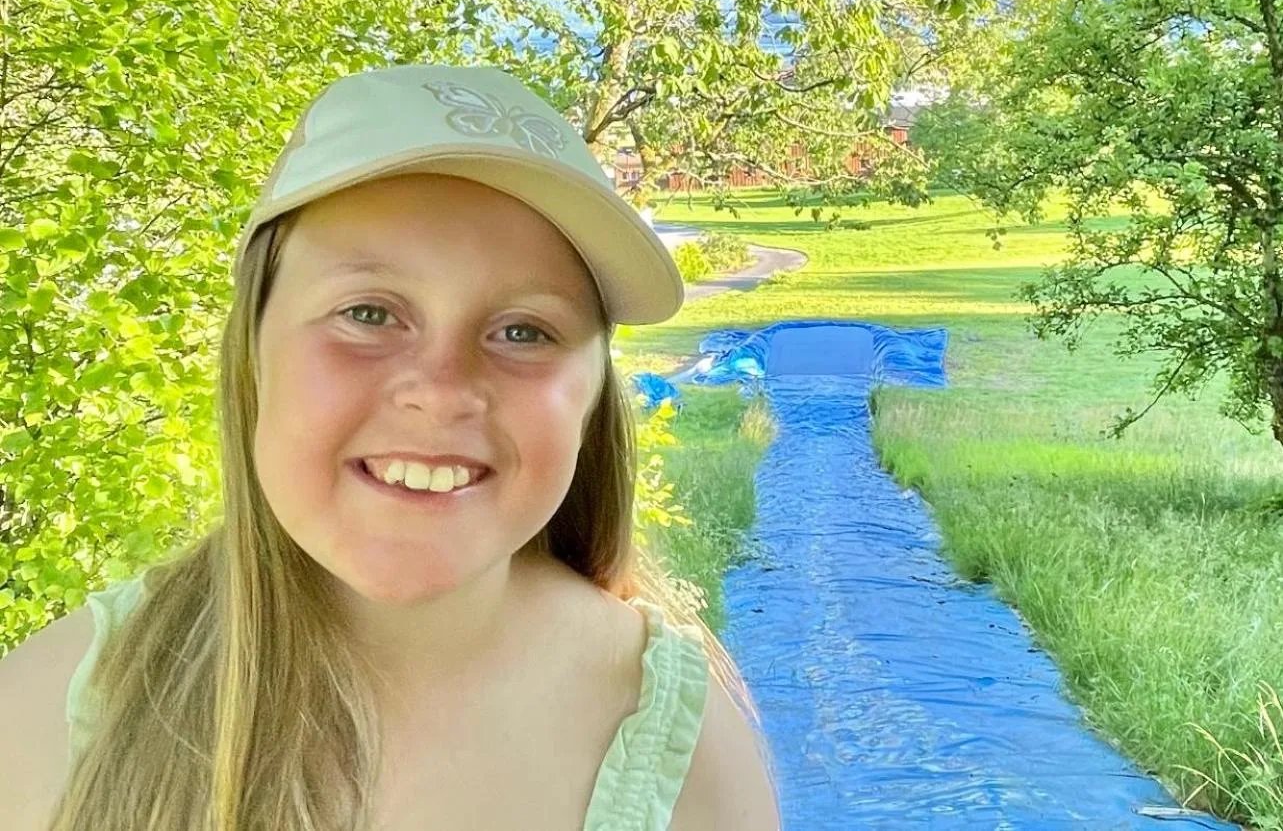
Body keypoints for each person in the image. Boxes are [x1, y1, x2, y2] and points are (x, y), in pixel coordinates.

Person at [1, 62, 782, 831]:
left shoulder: (680, 746)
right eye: (369, 314)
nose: (441, 388)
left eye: (523, 331)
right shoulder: (54, 716)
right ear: (252, 353)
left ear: (588, 401)